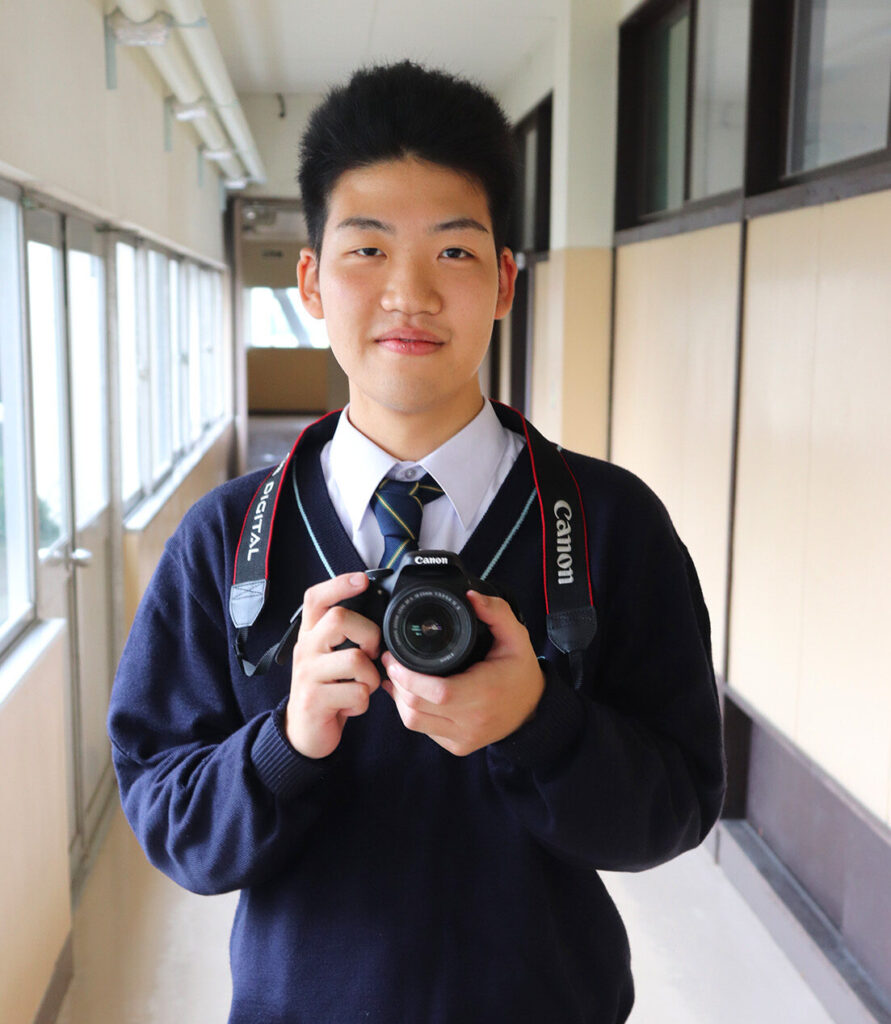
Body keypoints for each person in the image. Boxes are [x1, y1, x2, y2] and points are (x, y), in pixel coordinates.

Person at [108, 61, 725, 1024]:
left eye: (453, 251)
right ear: (310, 281)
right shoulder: (225, 540)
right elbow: (168, 816)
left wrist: (539, 723)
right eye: (366, 249)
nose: (408, 293)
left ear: (505, 281)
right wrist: (285, 744)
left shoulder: (609, 522)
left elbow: (677, 806)